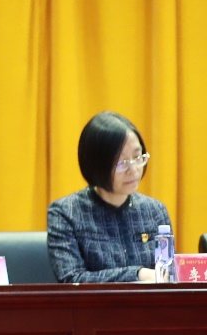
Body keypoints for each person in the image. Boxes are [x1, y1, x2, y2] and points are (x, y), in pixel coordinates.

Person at [46, 111, 170, 283]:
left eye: (137, 157)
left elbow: (168, 273)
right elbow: (71, 279)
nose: (133, 169)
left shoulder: (154, 211)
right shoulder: (66, 213)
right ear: (96, 165)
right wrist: (137, 274)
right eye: (121, 162)